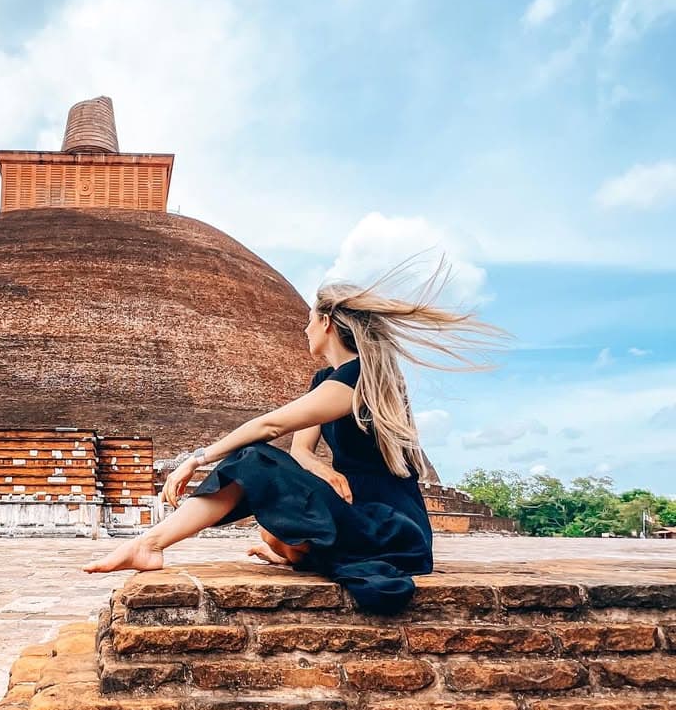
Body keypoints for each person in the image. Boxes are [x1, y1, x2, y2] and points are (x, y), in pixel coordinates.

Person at [85, 261, 503, 614]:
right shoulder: (325, 379)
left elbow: (270, 428)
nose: (304, 331)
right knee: (272, 532)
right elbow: (301, 448)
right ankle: (299, 553)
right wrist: (319, 464)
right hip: (359, 512)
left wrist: (197, 458)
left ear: (325, 322)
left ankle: (151, 543)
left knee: (254, 459)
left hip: (390, 526)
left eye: (307, 321)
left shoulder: (360, 378)